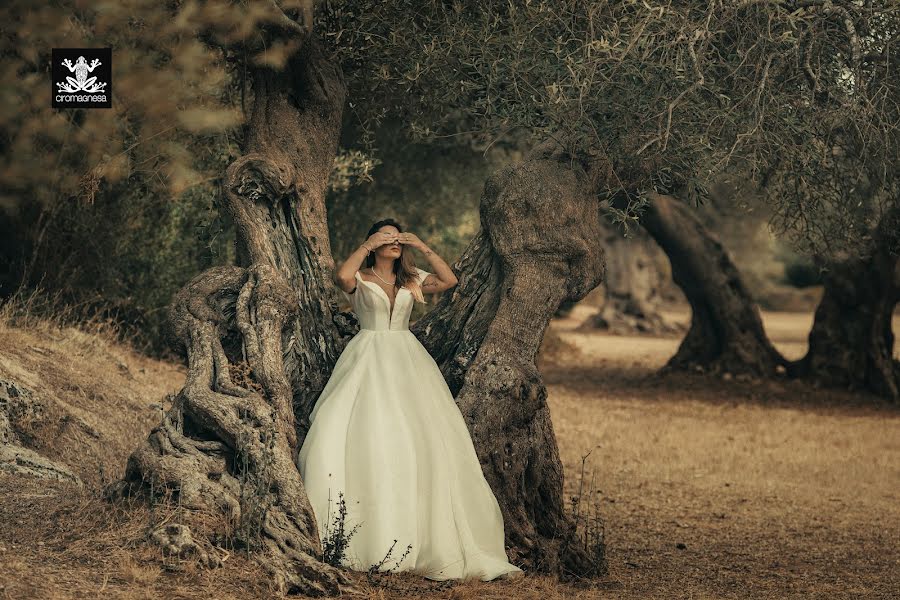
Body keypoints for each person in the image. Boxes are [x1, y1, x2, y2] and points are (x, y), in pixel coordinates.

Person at [296, 218, 524, 582]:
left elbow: (449, 281)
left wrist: (421, 246)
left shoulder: (411, 278)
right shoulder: (363, 278)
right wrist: (369, 245)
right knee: (364, 434)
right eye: (387, 237)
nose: (394, 241)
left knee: (421, 436)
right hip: (367, 355)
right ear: (372, 241)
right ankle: (359, 535)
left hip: (407, 358)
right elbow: (342, 276)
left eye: (397, 237)